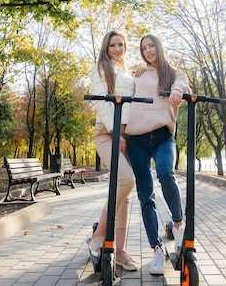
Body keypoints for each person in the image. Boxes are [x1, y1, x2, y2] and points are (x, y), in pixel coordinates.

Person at [125, 34, 189, 275]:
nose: (148, 50)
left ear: (159, 47)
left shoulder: (173, 73)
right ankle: (156, 250)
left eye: (151, 46)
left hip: (163, 136)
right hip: (137, 139)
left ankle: (179, 225)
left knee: (165, 172)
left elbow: (182, 82)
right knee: (146, 196)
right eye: (144, 48)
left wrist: (176, 91)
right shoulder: (139, 74)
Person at [86, 30, 138, 271]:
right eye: (113, 45)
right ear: (106, 48)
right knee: (126, 179)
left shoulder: (124, 72)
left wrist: (139, 76)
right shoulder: (100, 70)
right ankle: (100, 232)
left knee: (124, 195)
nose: (118, 49)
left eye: (121, 45)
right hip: (108, 134)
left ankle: (121, 251)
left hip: (127, 136)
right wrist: (117, 133)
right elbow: (103, 105)